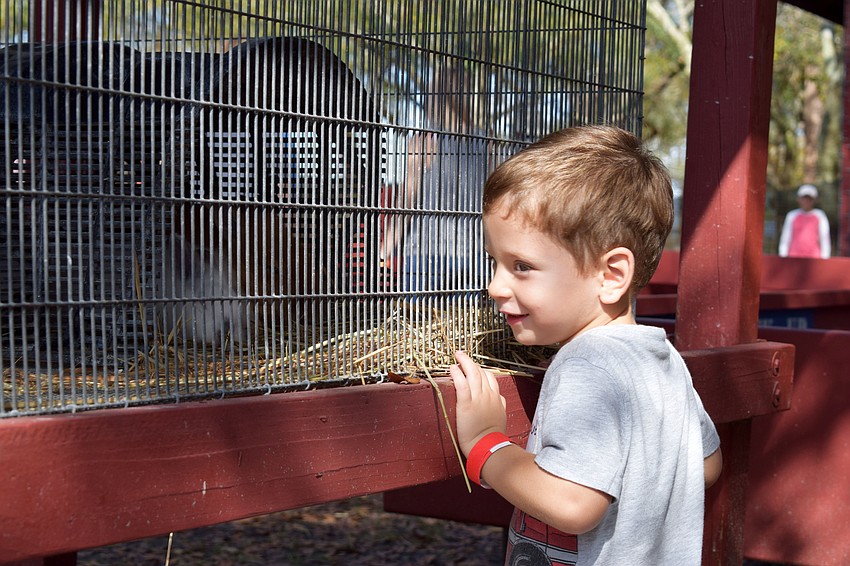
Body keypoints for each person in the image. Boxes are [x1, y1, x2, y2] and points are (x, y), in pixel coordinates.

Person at [449, 125, 723, 565]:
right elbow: (706, 465)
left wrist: (486, 443)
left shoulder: (586, 364)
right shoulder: (662, 357)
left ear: (611, 275)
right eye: (494, 262)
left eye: (522, 266)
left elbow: (574, 506)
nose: (495, 286)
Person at [778, 184, 831, 258]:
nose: (806, 201)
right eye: (803, 198)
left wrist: (825, 260)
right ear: (798, 199)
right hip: (793, 259)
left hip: (814, 261)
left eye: (809, 199)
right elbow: (785, 239)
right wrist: (783, 258)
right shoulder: (792, 215)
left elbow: (825, 240)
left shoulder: (820, 216)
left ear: (815, 200)